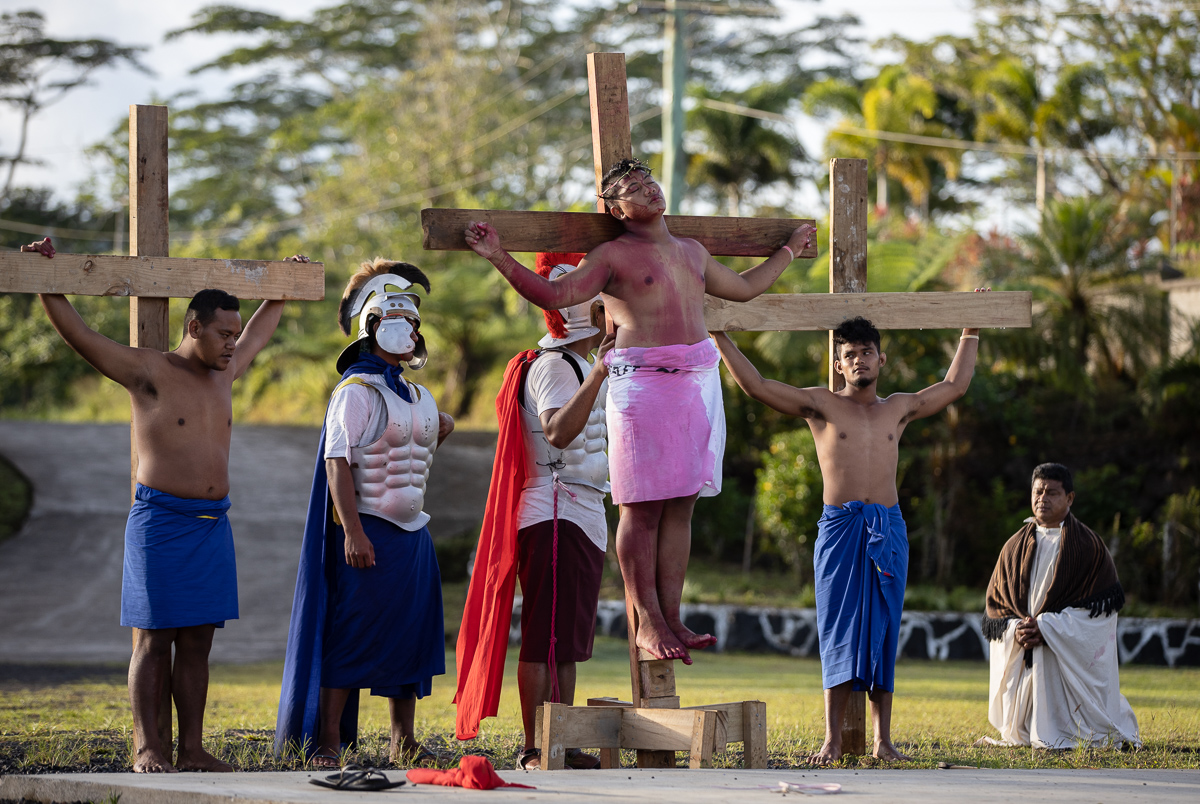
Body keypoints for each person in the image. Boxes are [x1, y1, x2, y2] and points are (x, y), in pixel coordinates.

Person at [464, 158, 815, 664]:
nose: (646, 189)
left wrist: (788, 250)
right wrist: (498, 254)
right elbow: (556, 292)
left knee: (683, 503)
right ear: (615, 209)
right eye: (630, 187)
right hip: (641, 383)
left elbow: (743, 287)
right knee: (642, 507)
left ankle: (672, 615)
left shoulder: (691, 251)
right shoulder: (611, 255)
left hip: (696, 380)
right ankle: (647, 621)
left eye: (648, 180)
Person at [25, 237, 298, 773]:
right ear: (193, 328)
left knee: (197, 642)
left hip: (212, 526)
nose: (232, 344)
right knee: (154, 640)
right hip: (160, 521)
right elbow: (81, 335)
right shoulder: (147, 371)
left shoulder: (227, 371)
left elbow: (263, 329)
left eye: (234, 335)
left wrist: (283, 289)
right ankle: (148, 746)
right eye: (222, 333)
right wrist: (46, 280)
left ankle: (193, 748)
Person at [712, 310, 988, 763]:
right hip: (840, 528)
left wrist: (970, 329)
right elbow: (758, 386)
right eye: (849, 355)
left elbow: (954, 386)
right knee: (837, 628)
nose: (858, 360)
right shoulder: (821, 405)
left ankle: (883, 741)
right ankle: (831, 739)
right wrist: (719, 333)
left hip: (887, 528)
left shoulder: (898, 408)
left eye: (865, 353)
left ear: (882, 359)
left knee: (883, 627)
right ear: (837, 364)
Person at [275, 258, 453, 769]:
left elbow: (412, 445)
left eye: (411, 319)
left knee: (412, 633)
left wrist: (441, 425)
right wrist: (352, 531)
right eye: (392, 317)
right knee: (352, 632)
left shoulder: (419, 394)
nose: (406, 328)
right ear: (370, 325)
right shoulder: (354, 392)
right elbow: (338, 459)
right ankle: (328, 738)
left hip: (413, 532)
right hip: (368, 526)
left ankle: (403, 737)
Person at [453, 253, 613, 768]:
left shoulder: (582, 363)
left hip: (583, 510)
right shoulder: (555, 366)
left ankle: (559, 743)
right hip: (555, 508)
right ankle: (534, 747)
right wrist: (602, 371)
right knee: (545, 639)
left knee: (566, 641)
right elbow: (559, 432)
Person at [978, 463, 1139, 749]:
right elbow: (997, 608)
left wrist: (1048, 628)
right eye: (1038, 492)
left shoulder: (1089, 546)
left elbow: (1099, 615)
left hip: (1064, 661)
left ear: (1070, 498)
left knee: (1086, 729)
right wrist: (1017, 629)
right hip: (1026, 649)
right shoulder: (1013, 547)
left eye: (1052, 492)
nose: (1043, 498)